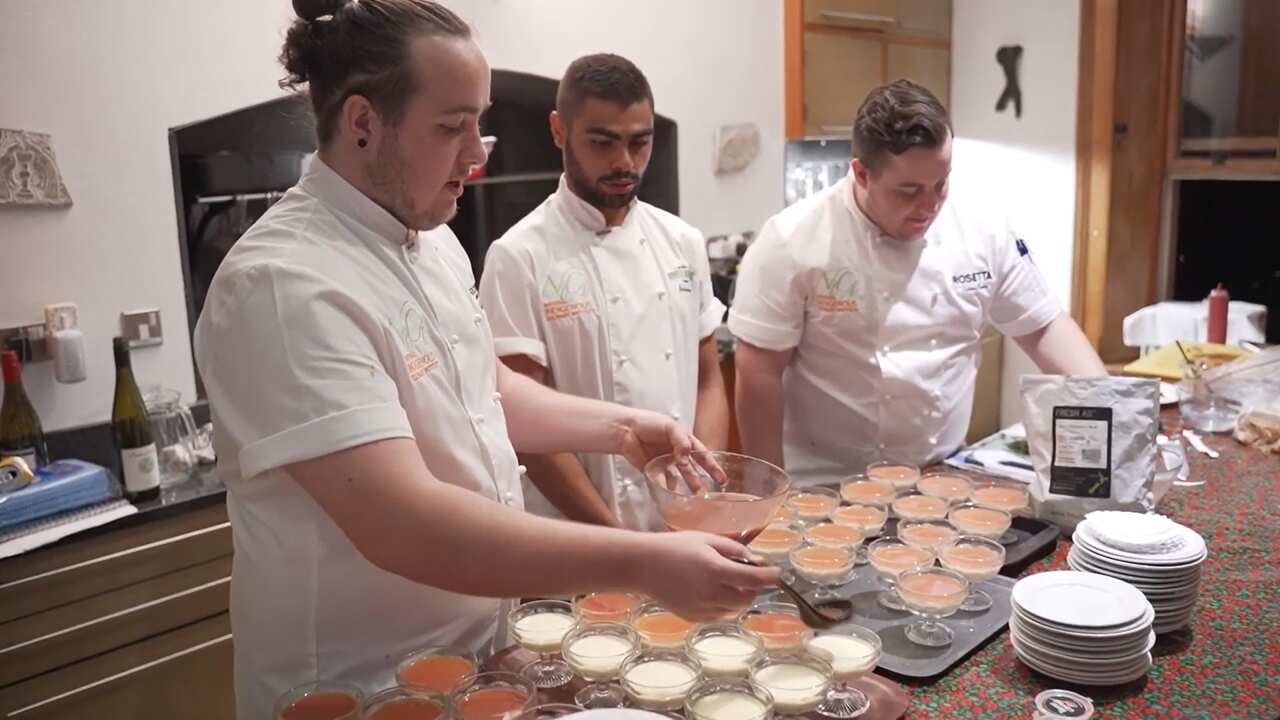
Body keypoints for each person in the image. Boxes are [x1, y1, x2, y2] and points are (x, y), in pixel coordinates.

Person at [193, 1, 777, 715]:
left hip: (473, 658)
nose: (477, 154)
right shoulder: (283, 284)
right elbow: (403, 523)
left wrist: (622, 427)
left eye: (480, 122)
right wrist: (642, 560)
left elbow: (481, 388)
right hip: (357, 683)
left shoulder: (430, 241)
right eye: (453, 126)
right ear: (363, 122)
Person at [730, 79, 1107, 485]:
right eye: (908, 191)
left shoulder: (983, 231)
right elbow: (758, 372)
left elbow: (1044, 326)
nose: (929, 205)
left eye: (941, 183)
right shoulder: (792, 240)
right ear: (861, 173)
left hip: (941, 475)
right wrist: (768, 490)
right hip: (824, 480)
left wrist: (1112, 408)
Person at [479, 53, 728, 530]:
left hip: (680, 524)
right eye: (602, 143)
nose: (624, 162)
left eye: (640, 143)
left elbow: (707, 380)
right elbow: (525, 426)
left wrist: (700, 490)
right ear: (558, 130)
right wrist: (615, 541)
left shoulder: (682, 242)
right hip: (578, 531)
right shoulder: (518, 256)